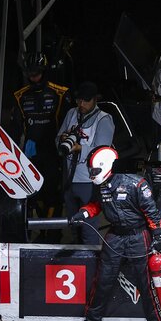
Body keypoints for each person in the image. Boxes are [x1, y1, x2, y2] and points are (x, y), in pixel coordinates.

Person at [71, 146, 161, 321]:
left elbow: (152, 211)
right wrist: (83, 213)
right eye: (90, 171)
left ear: (105, 165)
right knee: (103, 280)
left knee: (146, 283)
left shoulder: (136, 183)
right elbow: (95, 205)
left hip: (138, 236)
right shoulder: (101, 186)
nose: (92, 175)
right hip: (114, 236)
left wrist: (158, 236)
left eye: (94, 171)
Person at [12, 53, 69, 241]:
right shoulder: (20, 96)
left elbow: (68, 124)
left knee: (53, 195)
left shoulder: (60, 93)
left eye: (36, 73)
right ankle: (30, 234)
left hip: (54, 153)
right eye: (30, 74)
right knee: (31, 195)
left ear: (44, 72)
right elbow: (15, 129)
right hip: (30, 154)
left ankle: (52, 234)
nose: (33, 77)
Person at [58, 81, 114, 245]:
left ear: (95, 99)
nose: (81, 104)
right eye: (79, 100)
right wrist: (62, 139)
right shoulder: (71, 113)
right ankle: (76, 256)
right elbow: (58, 139)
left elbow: (102, 153)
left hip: (88, 181)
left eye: (86, 100)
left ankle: (90, 258)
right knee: (73, 225)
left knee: (89, 227)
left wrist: (79, 148)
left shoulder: (104, 119)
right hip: (69, 178)